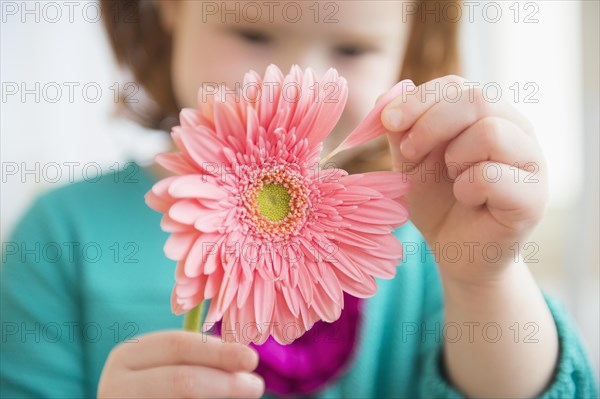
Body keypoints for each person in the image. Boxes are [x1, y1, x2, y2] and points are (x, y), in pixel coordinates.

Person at [1, 1, 598, 398]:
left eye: (352, 50)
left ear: (410, 42)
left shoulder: (430, 246)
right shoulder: (59, 239)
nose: (298, 78)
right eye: (252, 31)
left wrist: (485, 281)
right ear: (171, 9)